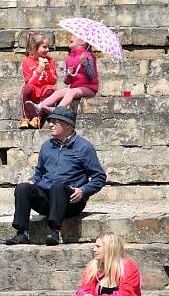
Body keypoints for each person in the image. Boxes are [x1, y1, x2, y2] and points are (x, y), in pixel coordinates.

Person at [6, 105, 106, 246]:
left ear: (67, 125)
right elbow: (39, 173)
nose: (50, 124)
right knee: (23, 188)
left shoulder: (84, 147)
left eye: (55, 122)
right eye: (50, 121)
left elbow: (99, 177)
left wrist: (83, 191)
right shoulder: (47, 146)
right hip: (48, 199)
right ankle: (22, 233)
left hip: (71, 201)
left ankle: (54, 232)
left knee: (58, 187)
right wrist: (33, 180)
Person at [28, 33, 98, 116]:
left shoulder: (88, 56)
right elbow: (67, 82)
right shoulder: (69, 58)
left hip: (89, 88)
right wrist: (69, 74)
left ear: (82, 41)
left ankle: (58, 110)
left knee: (71, 92)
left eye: (74, 36)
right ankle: (39, 107)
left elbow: (91, 76)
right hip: (75, 88)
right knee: (59, 92)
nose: (71, 37)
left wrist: (85, 64)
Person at [19, 32, 57, 129]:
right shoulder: (27, 61)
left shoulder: (50, 60)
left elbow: (53, 81)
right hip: (34, 88)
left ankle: (38, 118)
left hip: (44, 88)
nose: (47, 50)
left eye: (48, 47)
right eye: (44, 47)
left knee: (50, 90)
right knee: (26, 89)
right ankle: (26, 118)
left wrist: (48, 69)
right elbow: (29, 82)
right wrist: (39, 70)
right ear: (34, 47)